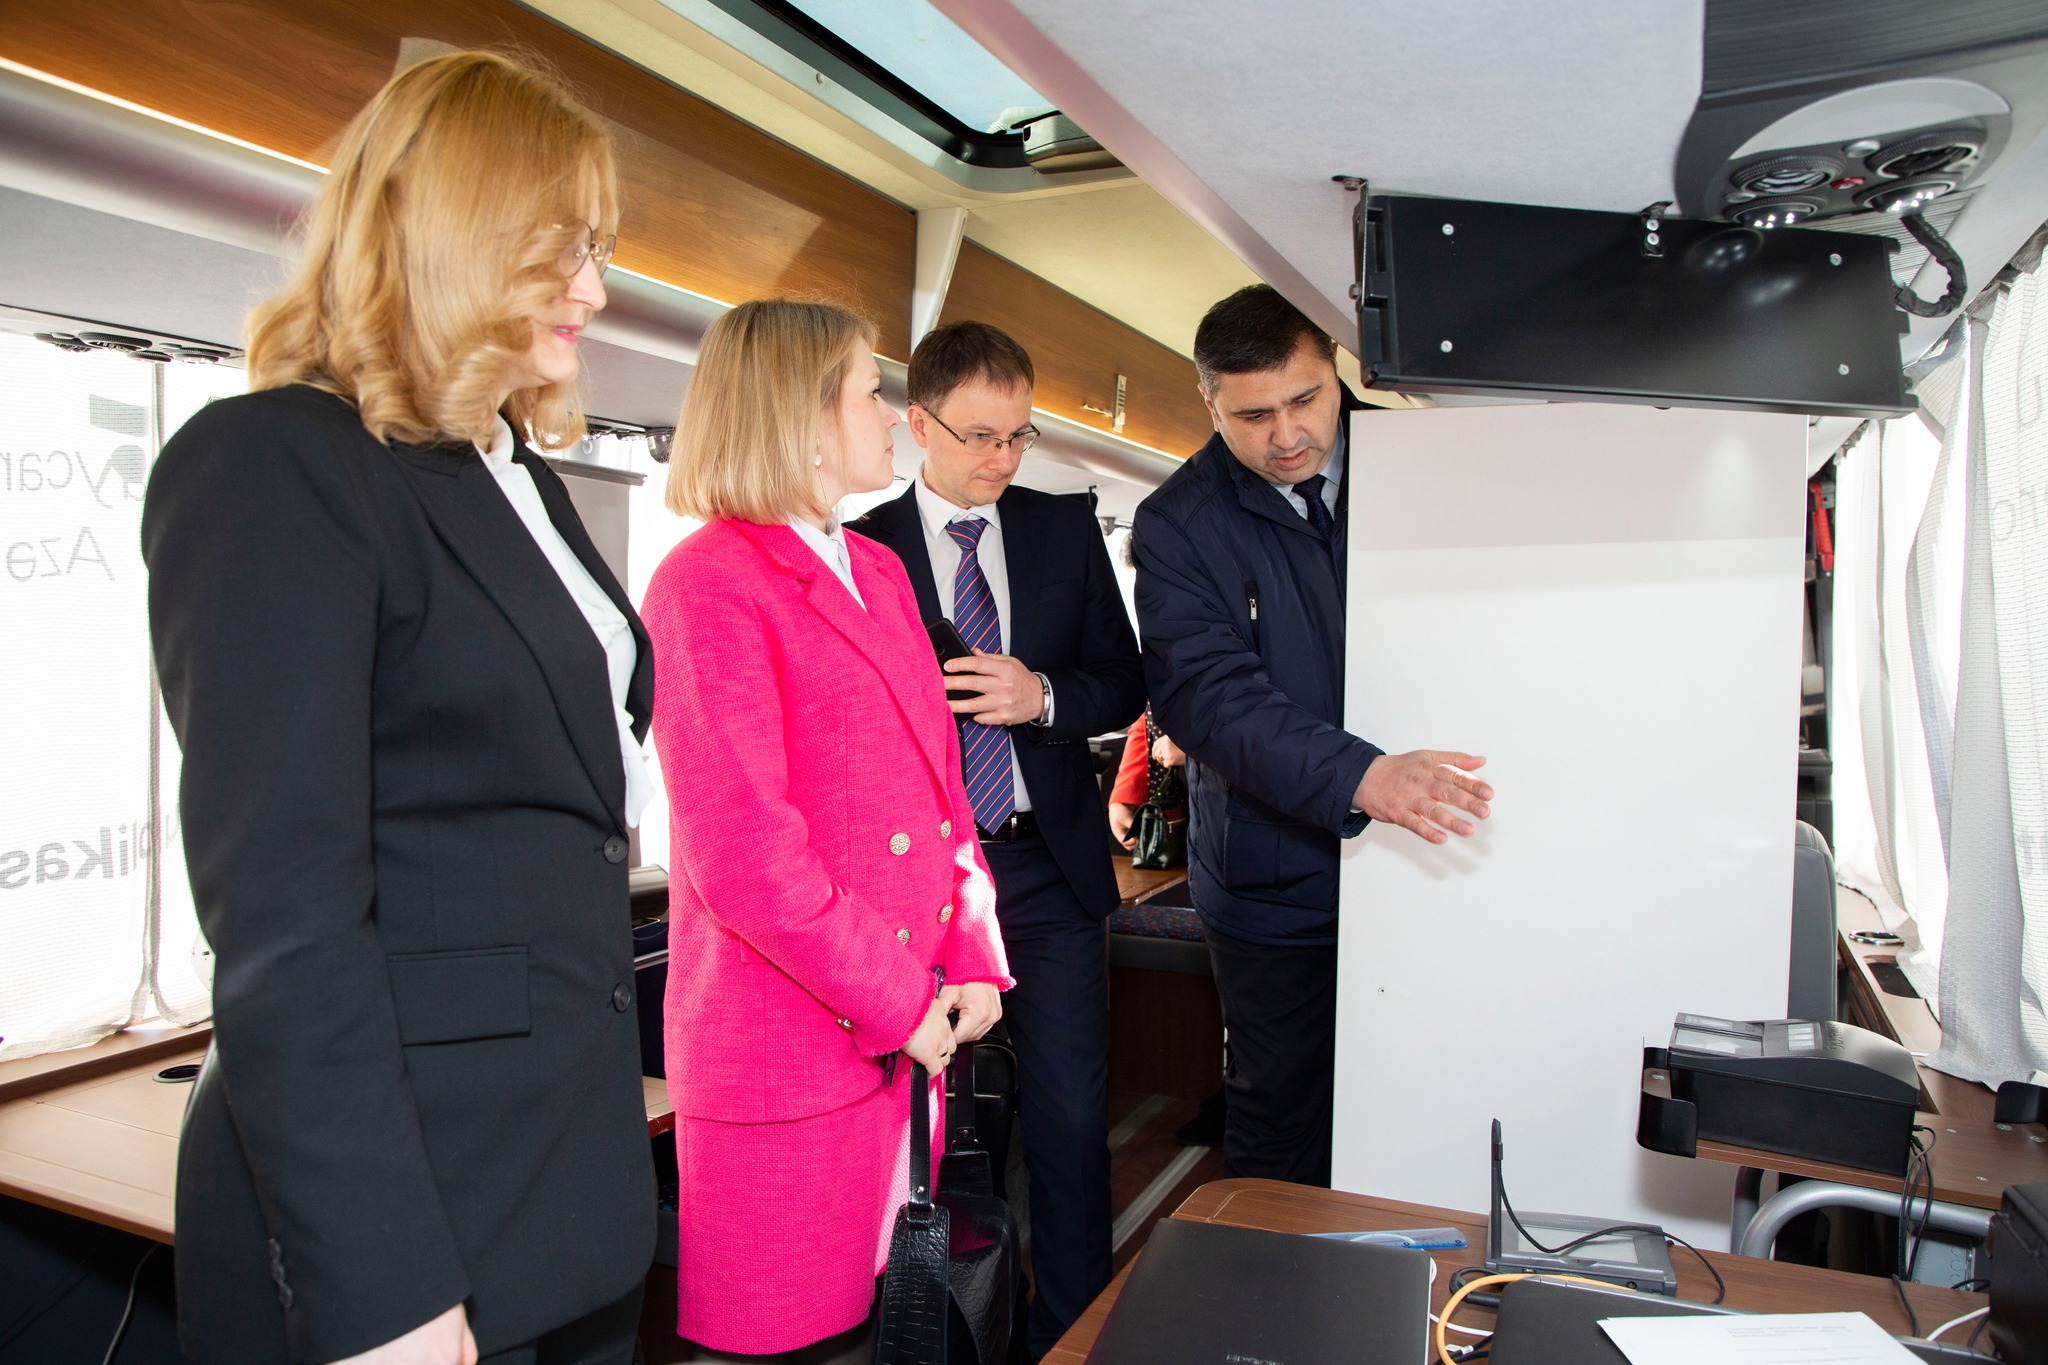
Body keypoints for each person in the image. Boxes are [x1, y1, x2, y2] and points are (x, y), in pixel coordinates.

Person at [143, 52, 654, 1365]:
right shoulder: (278, 463)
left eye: (598, 251)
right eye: (565, 249)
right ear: (460, 238)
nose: (595, 291)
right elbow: (288, 925)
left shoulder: (513, 476)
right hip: (407, 1214)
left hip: (559, 1184)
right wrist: (385, 1296)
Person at [642, 299, 1012, 1362]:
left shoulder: (878, 572)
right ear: (801, 417)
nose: (891, 416)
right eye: (868, 391)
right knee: (799, 1347)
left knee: (895, 1334)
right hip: (792, 1057)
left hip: (905, 1041)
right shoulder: (706, 584)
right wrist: (903, 1002)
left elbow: (945, 799)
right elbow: (748, 862)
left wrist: (972, 955)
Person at [1132, 284, 1495, 1188]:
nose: (1287, 434)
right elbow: (1208, 698)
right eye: (1254, 416)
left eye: (1304, 399)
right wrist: (1364, 777)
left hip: (1437, 861)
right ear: (1209, 403)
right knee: (1281, 1115)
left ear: (1336, 368)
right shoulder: (1178, 522)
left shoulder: (1437, 466)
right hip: (1271, 884)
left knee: (1432, 1097)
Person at [851, 320, 1144, 1356]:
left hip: (1048, 869)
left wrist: (1043, 695)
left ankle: (1071, 1338)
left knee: (1070, 1126)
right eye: (980, 436)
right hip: (921, 884)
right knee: (918, 1132)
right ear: (917, 424)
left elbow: (1123, 679)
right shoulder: (863, 548)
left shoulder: (1063, 530)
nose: (1003, 457)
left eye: (1019, 435)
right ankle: (932, 1335)